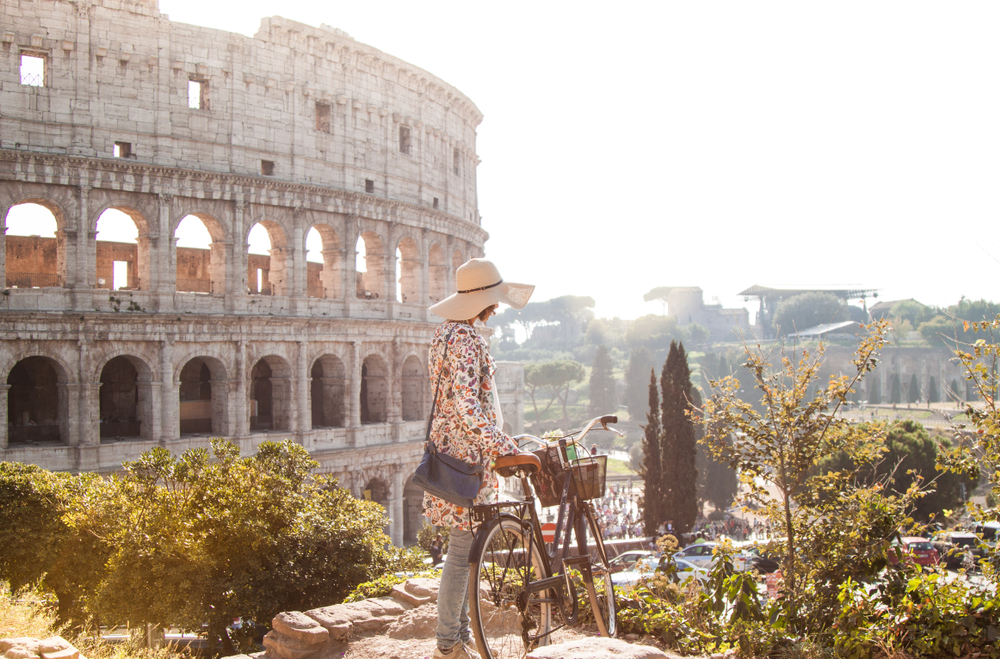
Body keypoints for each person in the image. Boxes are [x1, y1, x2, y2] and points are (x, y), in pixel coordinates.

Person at [424, 258, 534, 659]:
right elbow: (470, 408)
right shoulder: (469, 340)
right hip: (468, 460)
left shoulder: (442, 335)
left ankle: (460, 636)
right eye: (494, 300)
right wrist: (504, 445)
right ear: (482, 302)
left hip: (450, 450)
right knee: (460, 550)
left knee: (465, 547)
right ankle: (447, 645)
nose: (498, 307)